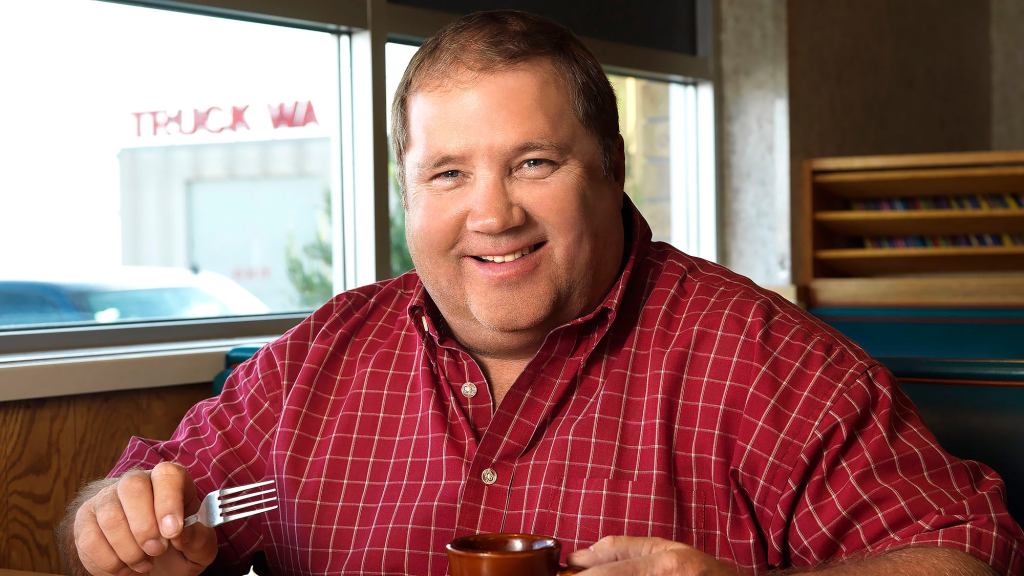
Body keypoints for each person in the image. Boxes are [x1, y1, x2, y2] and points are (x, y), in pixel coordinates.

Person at [62, 9, 1022, 576]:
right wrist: (116, 524)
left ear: (609, 166)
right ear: (406, 194)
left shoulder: (767, 360)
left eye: (532, 162)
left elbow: (961, 554)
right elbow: (132, 504)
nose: (491, 215)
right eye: (447, 176)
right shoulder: (320, 357)